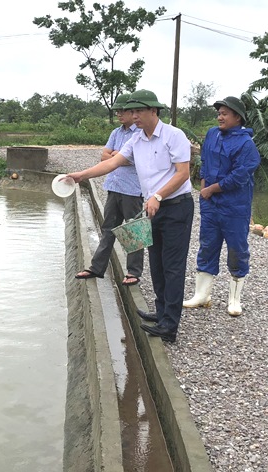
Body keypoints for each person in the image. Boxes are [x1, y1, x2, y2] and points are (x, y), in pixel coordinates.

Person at [67, 90, 194, 342]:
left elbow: (183, 174)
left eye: (138, 111)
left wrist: (157, 196)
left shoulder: (173, 136)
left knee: (173, 266)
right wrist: (80, 175)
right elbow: (111, 163)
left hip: (175, 207)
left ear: (153, 111)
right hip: (152, 207)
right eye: (131, 111)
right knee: (156, 263)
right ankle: (161, 312)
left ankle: (170, 325)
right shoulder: (136, 139)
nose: (133, 116)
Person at [183, 96, 261, 316]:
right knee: (207, 244)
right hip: (210, 204)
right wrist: (204, 184)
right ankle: (202, 295)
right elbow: (205, 160)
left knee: (237, 249)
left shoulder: (246, 144)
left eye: (225, 113)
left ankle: (234, 299)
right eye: (219, 113)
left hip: (234, 207)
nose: (220, 117)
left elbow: (240, 176)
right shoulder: (212, 134)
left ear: (238, 117)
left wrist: (212, 189)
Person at [74, 93, 144, 286]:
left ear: (133, 112)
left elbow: (133, 159)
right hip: (114, 187)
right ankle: (96, 268)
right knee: (108, 229)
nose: (119, 114)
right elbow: (105, 156)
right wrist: (118, 157)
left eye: (123, 111)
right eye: (117, 111)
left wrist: (116, 157)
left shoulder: (139, 133)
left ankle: (134, 272)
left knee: (134, 230)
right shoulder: (116, 133)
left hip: (133, 189)